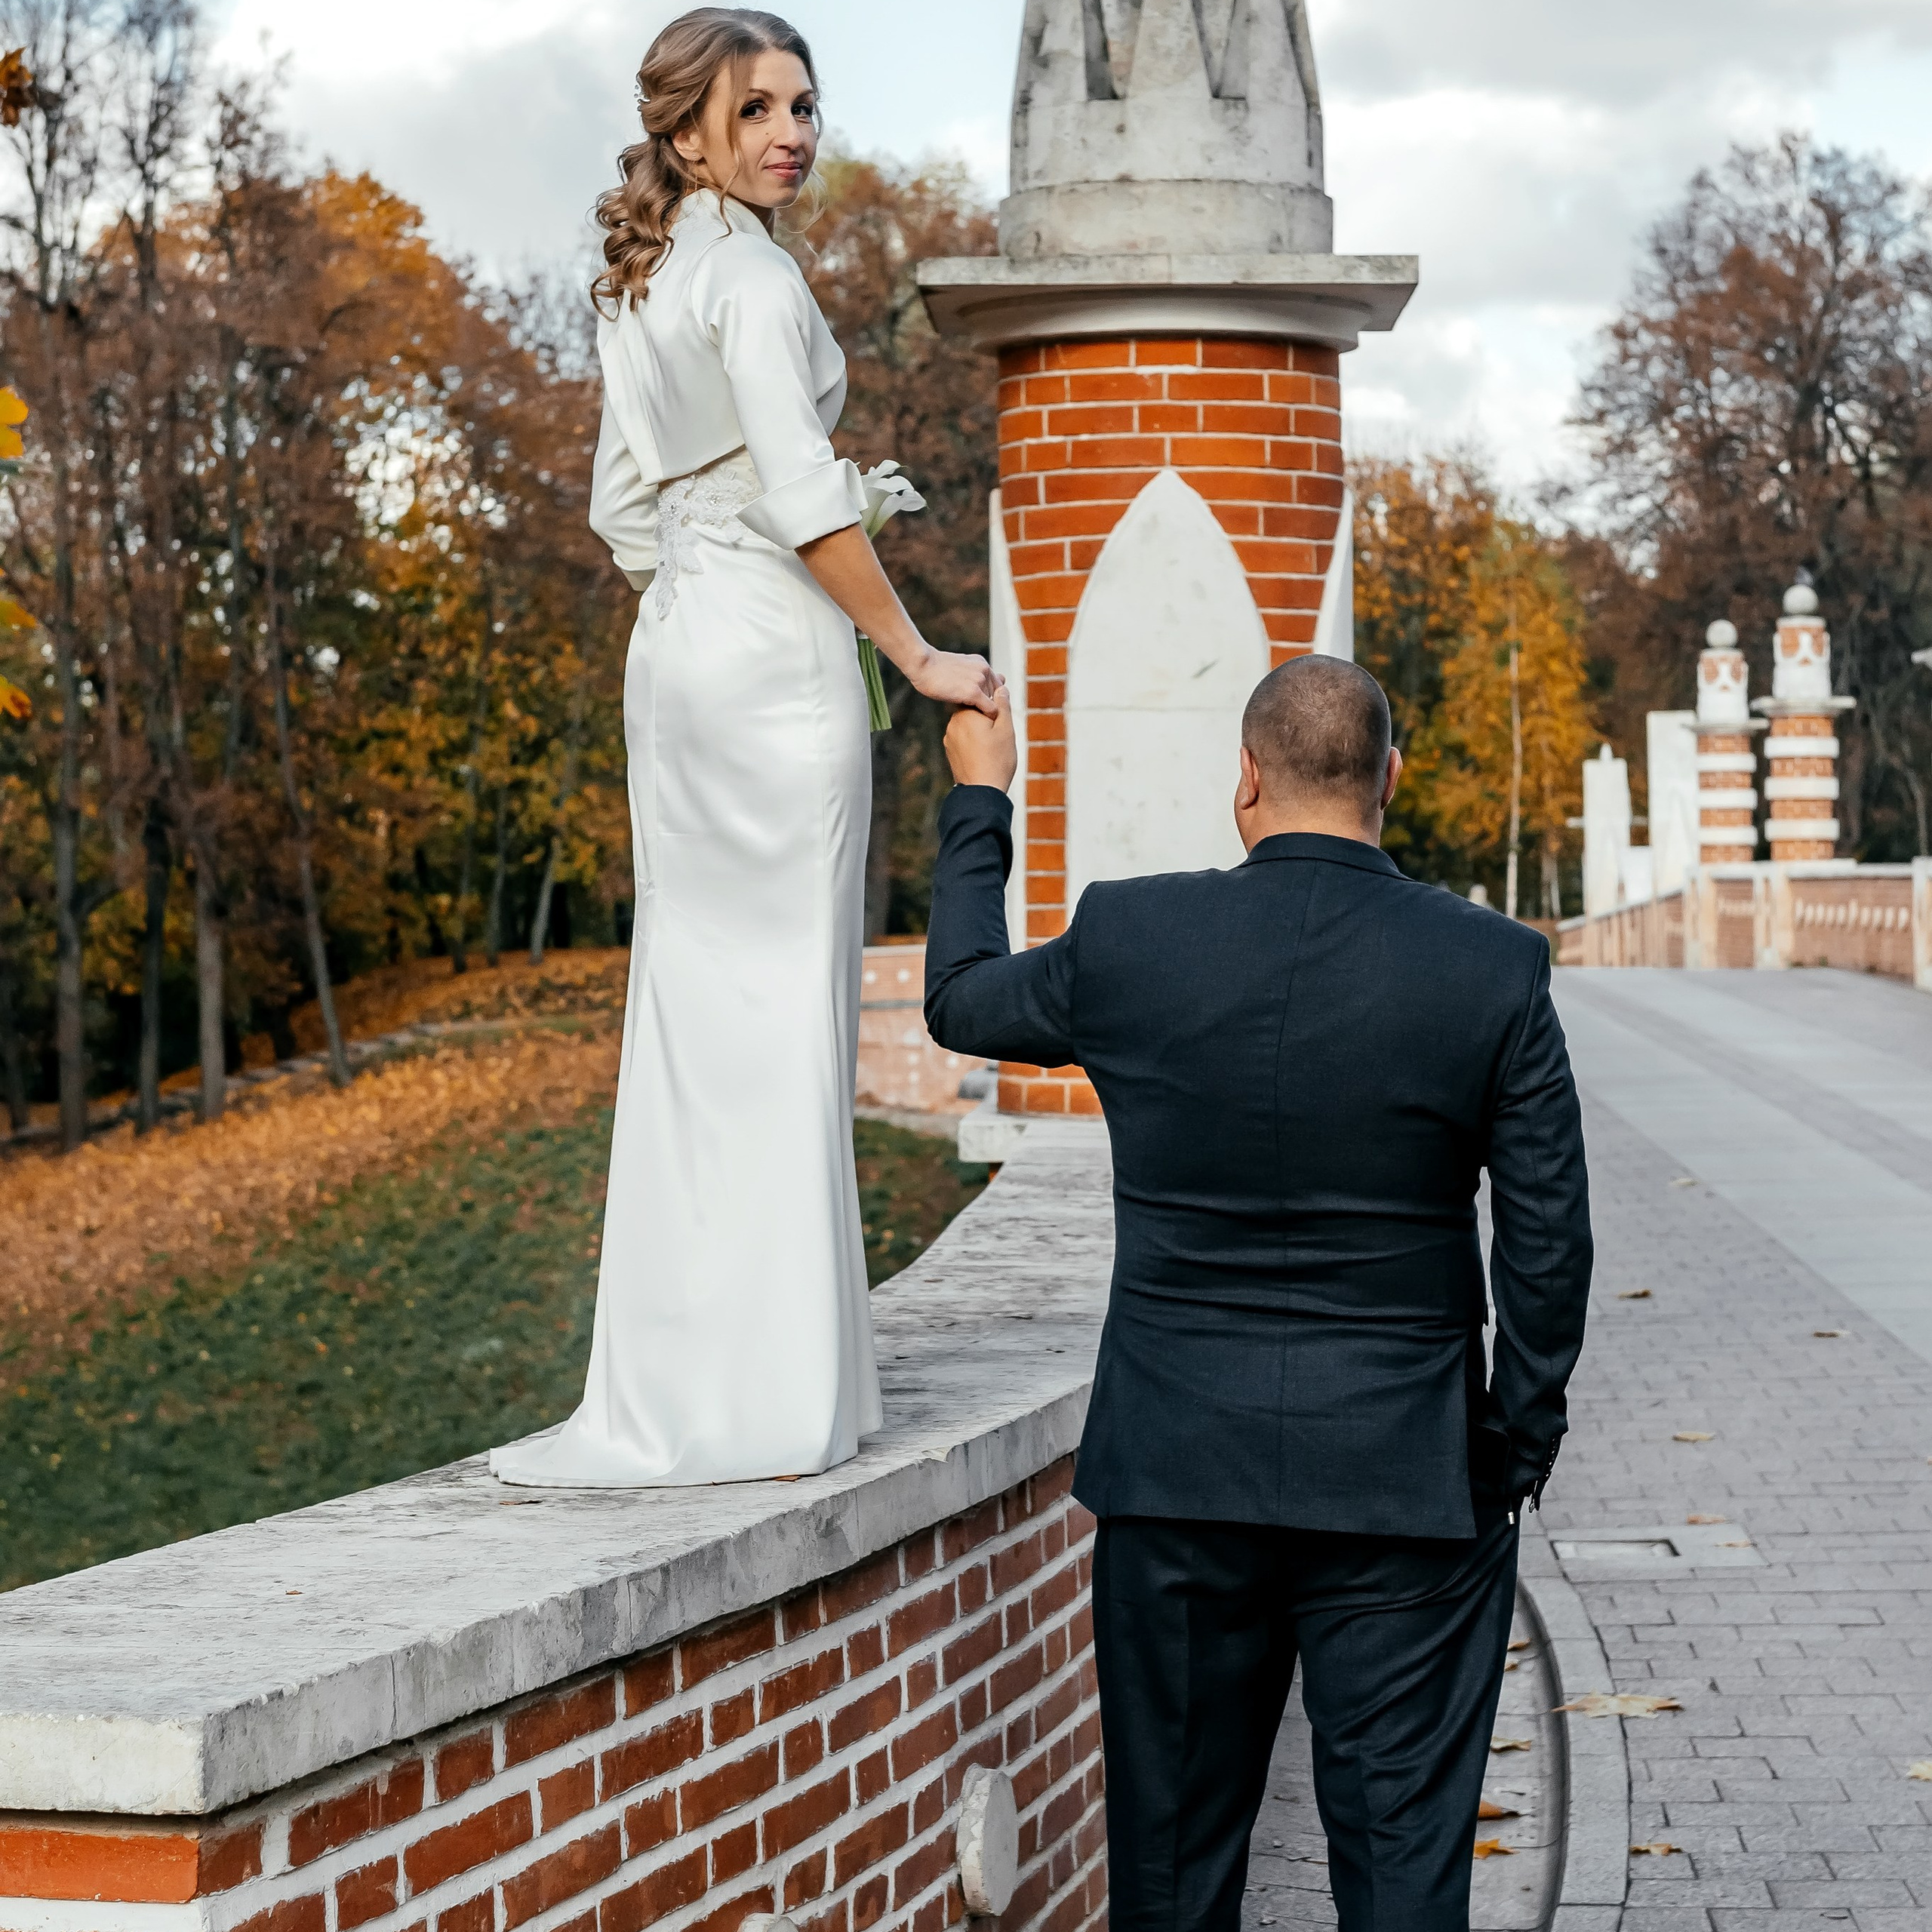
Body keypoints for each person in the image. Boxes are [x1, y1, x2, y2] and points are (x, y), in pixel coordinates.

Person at [924, 659, 1592, 1931]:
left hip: (1175, 1482)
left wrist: (982, 799)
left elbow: (958, 1001)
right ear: (1390, 779)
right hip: (1406, 1486)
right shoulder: (1494, 968)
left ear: (1244, 781)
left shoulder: (1132, 940)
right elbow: (1549, 1241)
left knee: (1172, 1884)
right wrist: (1507, 1446)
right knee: (1404, 1884)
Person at [491, 9, 998, 1490]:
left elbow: (624, 515)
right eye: (754, 106)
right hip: (774, 666)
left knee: (693, 1014)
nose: (790, 128)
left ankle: (686, 1383)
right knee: (779, 1014)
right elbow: (802, 499)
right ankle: (779, 1395)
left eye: (801, 101)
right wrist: (914, 655)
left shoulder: (639, 282)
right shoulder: (757, 285)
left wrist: (710, 587)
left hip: (679, 657)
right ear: (687, 130)